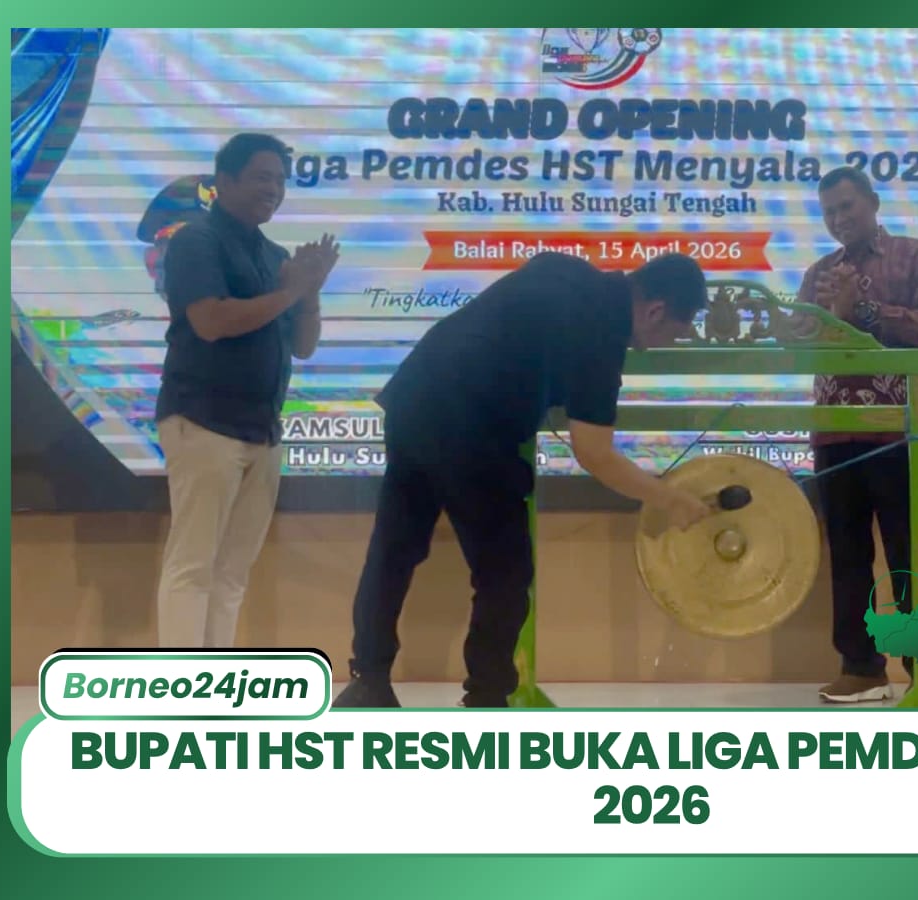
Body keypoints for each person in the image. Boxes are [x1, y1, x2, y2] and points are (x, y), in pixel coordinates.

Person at [332, 251, 713, 709]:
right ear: (655, 311)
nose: (661, 346)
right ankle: (487, 699)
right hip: (473, 425)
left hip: (414, 397)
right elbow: (595, 454)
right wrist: (670, 499)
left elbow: (517, 335)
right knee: (505, 572)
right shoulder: (602, 335)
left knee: (395, 549)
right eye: (674, 333)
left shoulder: (564, 269)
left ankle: (368, 680)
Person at [154, 132, 339, 647]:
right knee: (193, 565)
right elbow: (211, 321)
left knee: (232, 573)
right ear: (225, 181)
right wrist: (291, 289)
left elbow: (303, 346)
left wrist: (308, 294)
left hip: (262, 430)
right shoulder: (196, 241)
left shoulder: (276, 255)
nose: (273, 189)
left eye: (280, 180)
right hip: (203, 421)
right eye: (261, 177)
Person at [796, 166, 918, 704]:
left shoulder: (917, 257)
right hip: (834, 432)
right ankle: (861, 668)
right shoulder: (819, 272)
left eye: (847, 206)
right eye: (829, 212)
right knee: (847, 554)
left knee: (911, 554)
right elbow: (801, 347)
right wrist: (828, 316)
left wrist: (860, 312)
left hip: (899, 431)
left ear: (873, 201)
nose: (839, 219)